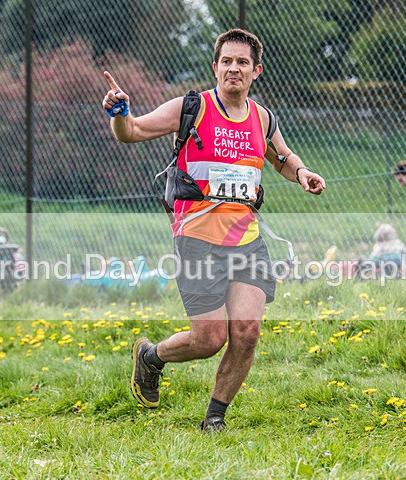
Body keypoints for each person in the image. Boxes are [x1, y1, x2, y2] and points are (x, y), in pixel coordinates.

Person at [102, 28, 326, 431]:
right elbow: (132, 132)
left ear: (256, 71)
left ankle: (214, 418)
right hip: (197, 240)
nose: (234, 69)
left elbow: (282, 158)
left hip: (247, 240)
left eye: (242, 63)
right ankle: (151, 357)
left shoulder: (263, 118)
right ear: (215, 67)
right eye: (227, 61)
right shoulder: (192, 107)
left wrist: (303, 172)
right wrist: (120, 114)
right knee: (208, 339)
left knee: (247, 330)